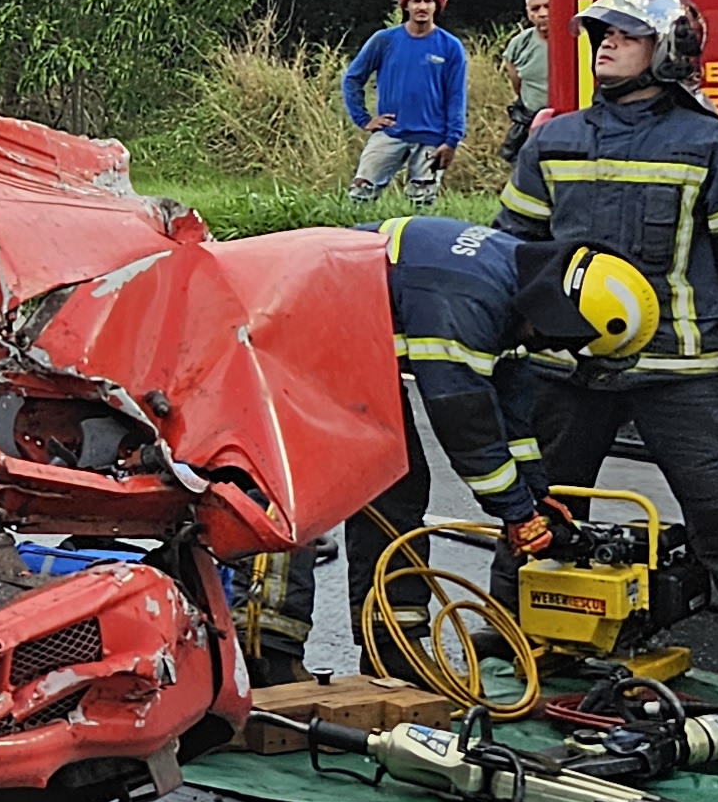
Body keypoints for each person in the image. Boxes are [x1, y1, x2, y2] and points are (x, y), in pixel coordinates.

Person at [498, 0, 718, 706]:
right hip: (567, 365)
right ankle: (515, 625)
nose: (604, 43)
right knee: (539, 503)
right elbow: (509, 250)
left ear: (671, 50)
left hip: (684, 365)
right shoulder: (552, 139)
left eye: (624, 32)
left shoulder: (715, 145)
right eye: (599, 33)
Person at [243, 221, 661, 686]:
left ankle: (392, 643)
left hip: (338, 339)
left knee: (393, 479)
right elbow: (465, 418)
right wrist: (516, 512)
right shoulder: (465, 302)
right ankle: (270, 647)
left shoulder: (519, 284)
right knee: (297, 485)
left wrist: (535, 494)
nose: (564, 351)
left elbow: (511, 412)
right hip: (276, 329)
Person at [341, 0, 469, 205]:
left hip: (432, 137)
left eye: (428, 1)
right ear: (406, 4)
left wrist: (452, 139)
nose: (422, 6)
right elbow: (352, 79)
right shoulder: (384, 40)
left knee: (422, 203)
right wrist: (364, 119)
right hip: (390, 132)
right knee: (360, 196)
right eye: (416, 1)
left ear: (438, 4)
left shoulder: (450, 46)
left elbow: (456, 96)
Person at [498, 0, 552, 162]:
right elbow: (517, 86)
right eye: (535, 9)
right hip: (532, 124)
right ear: (528, 13)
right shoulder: (519, 45)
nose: (543, 14)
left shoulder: (580, 39)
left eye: (548, 6)